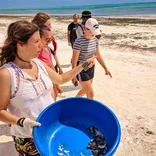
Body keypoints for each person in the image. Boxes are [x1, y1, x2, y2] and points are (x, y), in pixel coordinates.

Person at [0, 20, 95, 156]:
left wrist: (83, 66)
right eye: (36, 41)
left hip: (52, 129)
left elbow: (61, 79)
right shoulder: (6, 74)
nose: (42, 45)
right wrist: (21, 121)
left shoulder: (38, 63)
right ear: (20, 44)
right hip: (28, 140)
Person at [72, 18, 112, 99]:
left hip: (91, 67)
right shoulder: (78, 42)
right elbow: (74, 60)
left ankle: (74, 101)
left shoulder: (95, 40)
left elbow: (98, 55)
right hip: (81, 69)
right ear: (85, 28)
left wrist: (105, 68)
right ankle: (89, 110)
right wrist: (73, 76)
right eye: (92, 31)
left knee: (85, 90)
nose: (94, 34)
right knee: (90, 93)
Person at [32, 12, 63, 100]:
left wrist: (56, 83)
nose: (50, 27)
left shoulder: (46, 45)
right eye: (48, 25)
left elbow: (51, 58)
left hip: (51, 75)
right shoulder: (37, 48)